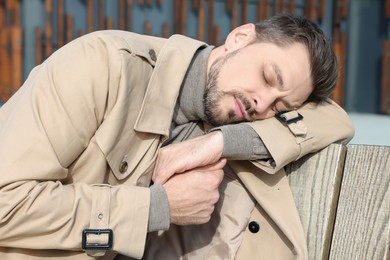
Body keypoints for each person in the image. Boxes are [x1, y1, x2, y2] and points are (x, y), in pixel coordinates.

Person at [0, 14, 353, 259]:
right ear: (240, 37)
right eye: (266, 75)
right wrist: (159, 206)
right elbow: (5, 203)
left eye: (279, 107)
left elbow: (335, 120)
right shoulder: (104, 65)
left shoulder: (224, 123)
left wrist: (220, 142)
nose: (262, 102)